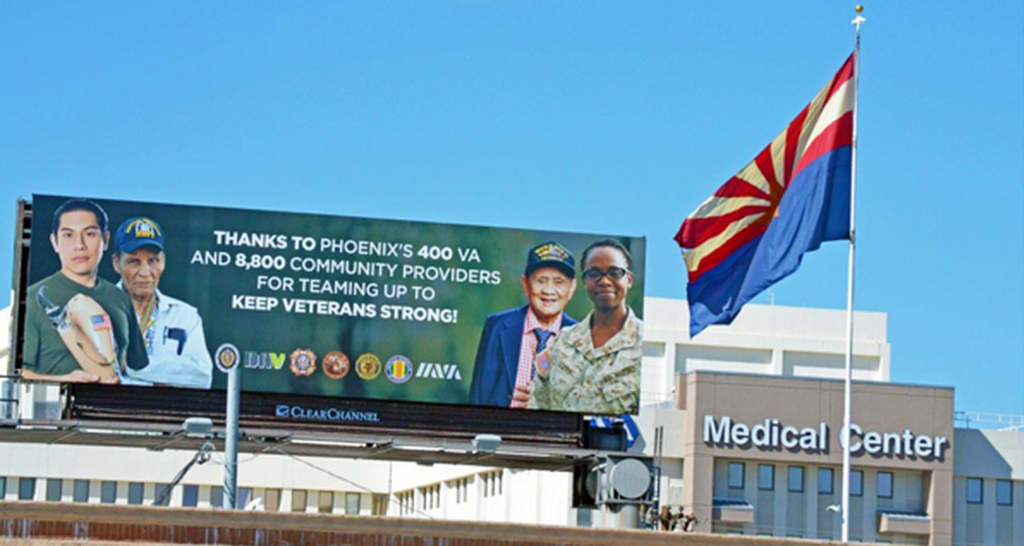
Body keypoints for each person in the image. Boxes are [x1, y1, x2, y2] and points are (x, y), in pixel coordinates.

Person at [22, 199, 148, 383]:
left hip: (112, 409)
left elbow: (135, 366)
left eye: (89, 234)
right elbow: (17, 373)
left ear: (105, 240)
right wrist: (64, 381)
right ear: (54, 242)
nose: (79, 245)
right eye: (68, 235)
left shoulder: (120, 298)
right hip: (53, 409)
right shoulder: (32, 299)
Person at [529, 239, 643, 414]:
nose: (604, 281)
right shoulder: (563, 342)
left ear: (629, 280)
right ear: (584, 281)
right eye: (594, 273)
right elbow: (537, 405)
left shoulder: (644, 343)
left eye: (614, 272)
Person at [469, 241, 578, 408]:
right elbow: (478, 395)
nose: (549, 290)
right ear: (525, 284)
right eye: (541, 281)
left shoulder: (583, 339)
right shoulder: (496, 326)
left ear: (572, 288)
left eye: (558, 282)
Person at [112, 216, 214, 389]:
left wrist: (131, 365)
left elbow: (202, 377)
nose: (145, 272)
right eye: (134, 261)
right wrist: (169, 375)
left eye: (153, 261)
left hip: (166, 411)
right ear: (117, 263)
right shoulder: (97, 308)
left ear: (163, 262)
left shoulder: (184, 315)